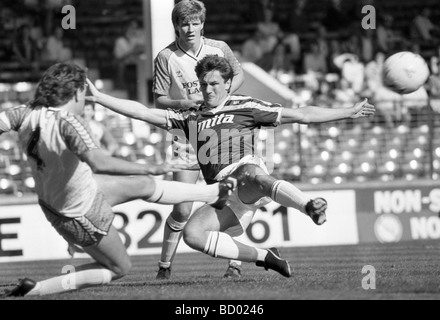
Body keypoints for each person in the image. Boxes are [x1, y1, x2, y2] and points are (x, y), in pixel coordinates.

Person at [86, 55, 376, 279]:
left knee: (249, 173)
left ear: (227, 83)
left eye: (214, 83)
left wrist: (347, 112)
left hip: (245, 174)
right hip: (222, 193)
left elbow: (302, 115)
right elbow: (143, 112)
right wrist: (100, 98)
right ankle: (267, 257)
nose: (208, 89)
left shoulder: (246, 105)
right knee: (193, 235)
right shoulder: (189, 116)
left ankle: (309, 205)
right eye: (203, 84)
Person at [0, 62, 236, 297]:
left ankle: (214, 193)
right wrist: (154, 166)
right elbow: (100, 163)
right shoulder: (69, 123)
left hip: (65, 195)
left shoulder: (25, 112)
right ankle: (37, 290)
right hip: (80, 210)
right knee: (119, 267)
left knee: (142, 185)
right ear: (78, 91)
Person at [153, 0, 245, 280]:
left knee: (229, 202)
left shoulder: (219, 49)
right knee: (181, 208)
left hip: (219, 134)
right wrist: (185, 101)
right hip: (186, 136)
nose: (190, 28)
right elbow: (159, 99)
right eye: (184, 23)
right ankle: (165, 266)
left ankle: (235, 264)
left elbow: (238, 74)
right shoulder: (166, 56)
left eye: (195, 23)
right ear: (176, 26)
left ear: (202, 24)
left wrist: (224, 95)